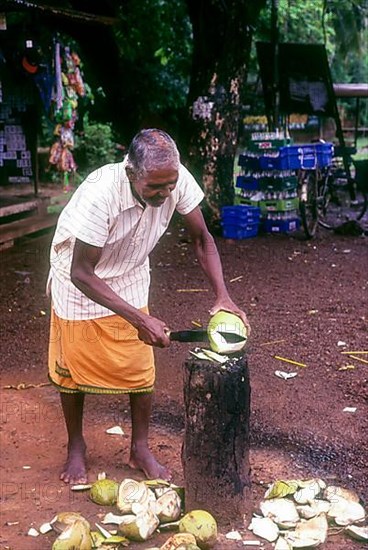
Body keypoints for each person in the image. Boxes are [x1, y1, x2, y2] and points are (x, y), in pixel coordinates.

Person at [47, 128, 250, 484]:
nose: (165, 194)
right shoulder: (100, 196)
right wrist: (140, 317)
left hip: (131, 269)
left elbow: (202, 240)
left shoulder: (175, 178)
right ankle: (75, 445)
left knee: (140, 367)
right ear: (130, 173)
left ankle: (139, 448)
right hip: (79, 276)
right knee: (73, 367)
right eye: (155, 187)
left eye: (169, 186)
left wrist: (223, 296)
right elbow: (81, 271)